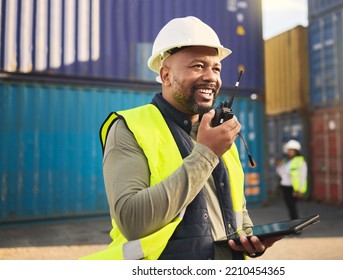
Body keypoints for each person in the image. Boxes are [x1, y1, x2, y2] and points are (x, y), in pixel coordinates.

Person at [82, 16, 280, 260]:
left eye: (216, 68)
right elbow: (131, 220)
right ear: (166, 76)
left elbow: (236, 207)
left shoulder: (220, 131)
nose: (211, 77)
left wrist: (249, 237)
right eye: (198, 66)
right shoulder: (130, 128)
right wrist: (206, 154)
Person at [276, 139, 308, 220]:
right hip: (285, 187)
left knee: (292, 208)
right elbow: (280, 173)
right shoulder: (286, 161)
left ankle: (297, 227)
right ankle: (294, 225)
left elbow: (303, 177)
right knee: (290, 208)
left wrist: (300, 190)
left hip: (293, 188)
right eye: (288, 150)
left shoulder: (301, 162)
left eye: (291, 150)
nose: (289, 152)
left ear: (296, 151)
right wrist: (279, 166)